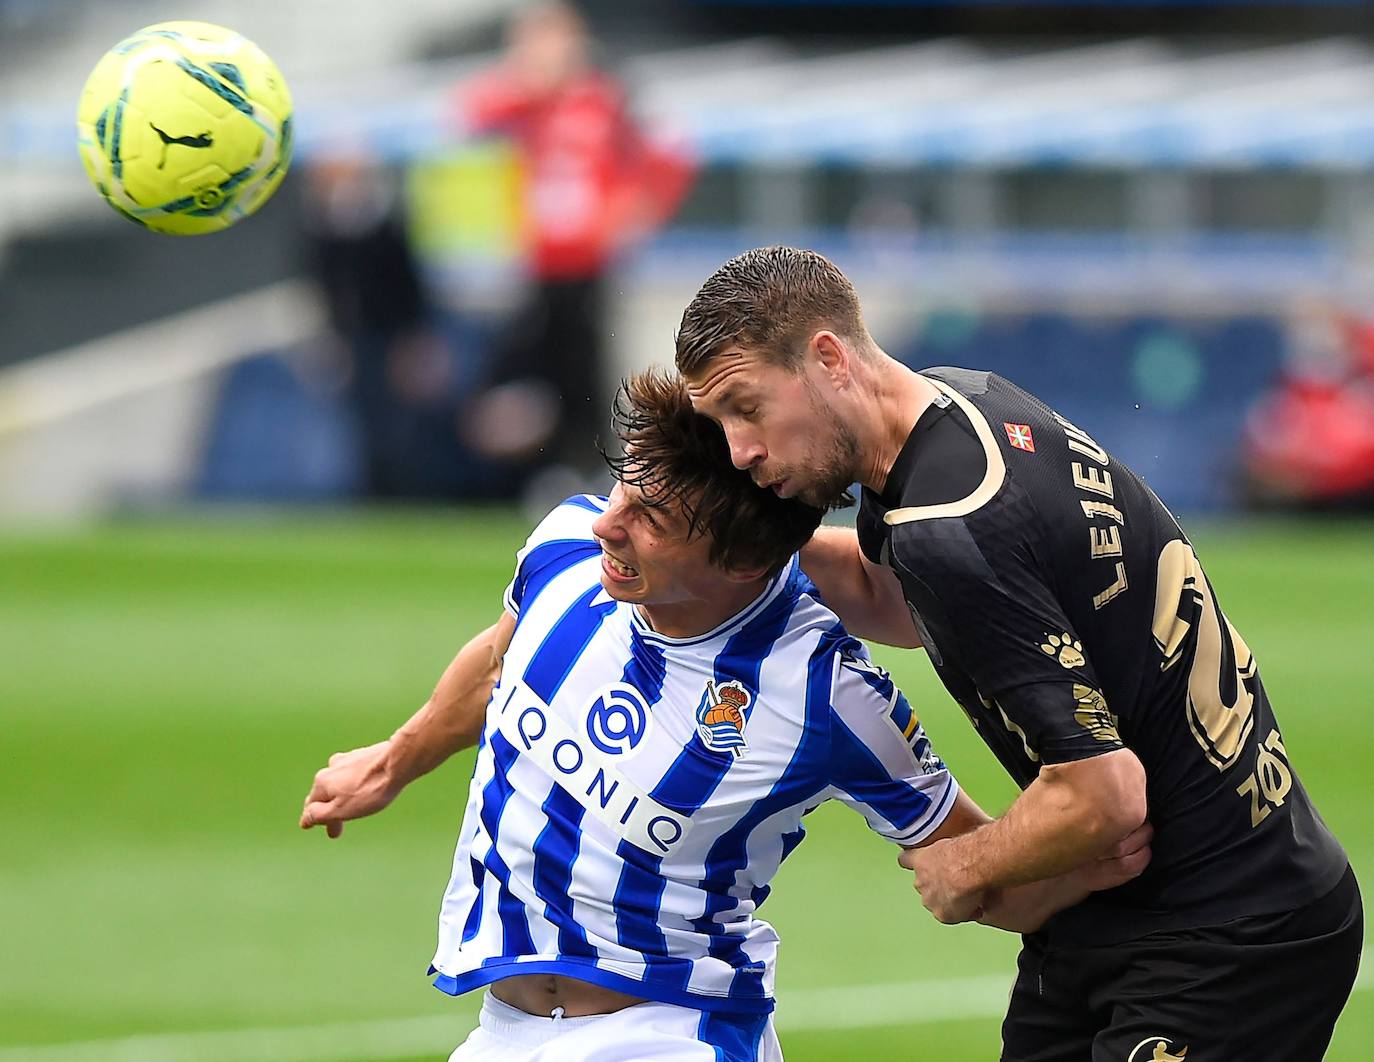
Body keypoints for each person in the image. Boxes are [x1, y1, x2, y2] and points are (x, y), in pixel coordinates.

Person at [299, 368, 1148, 1061]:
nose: (610, 526)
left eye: (651, 519)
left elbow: (976, 862)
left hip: (673, 1035)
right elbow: (497, 663)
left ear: (744, 560)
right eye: (620, 491)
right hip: (504, 1032)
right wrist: (395, 759)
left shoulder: (826, 690)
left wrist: (1091, 869)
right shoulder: (561, 547)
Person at [675, 245, 1362, 1061]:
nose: (741, 450)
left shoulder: (947, 524)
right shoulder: (964, 403)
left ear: (828, 358)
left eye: (746, 408)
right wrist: (712, 548)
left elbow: (1104, 795)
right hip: (1115, 921)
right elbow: (913, 599)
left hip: (1228, 934)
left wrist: (968, 867)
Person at [455, 1, 695, 475]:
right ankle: (543, 467)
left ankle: (591, 465)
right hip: (540, 264)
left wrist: (636, 210)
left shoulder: (606, 100)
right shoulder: (526, 103)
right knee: (533, 370)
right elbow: (468, 115)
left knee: (585, 370)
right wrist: (524, 78)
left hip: (588, 263)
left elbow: (671, 154)